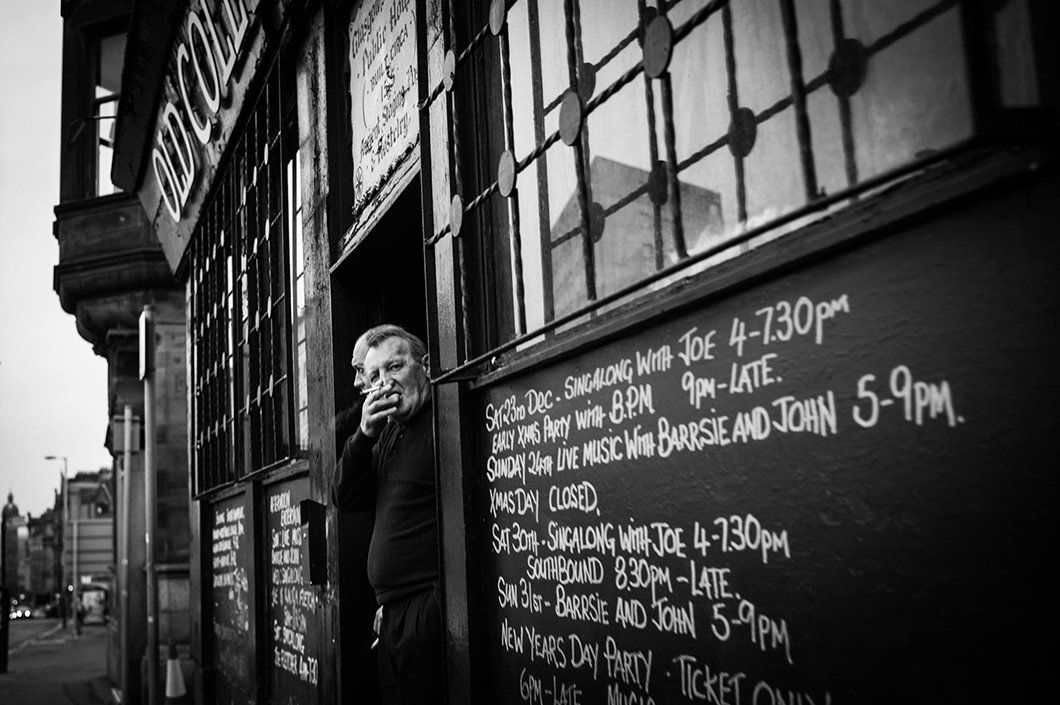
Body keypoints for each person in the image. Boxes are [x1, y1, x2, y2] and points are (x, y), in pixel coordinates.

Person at [333, 324, 441, 705]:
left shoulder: (442, 420)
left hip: (426, 615)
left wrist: (427, 611)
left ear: (425, 366)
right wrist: (364, 434)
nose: (385, 382)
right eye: (375, 375)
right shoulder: (390, 432)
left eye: (394, 367)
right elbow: (344, 496)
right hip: (392, 617)